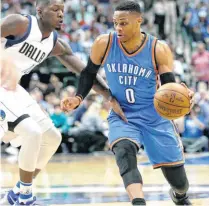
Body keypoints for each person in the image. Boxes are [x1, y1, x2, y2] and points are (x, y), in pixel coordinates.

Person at [61, 1, 195, 205]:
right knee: (124, 151)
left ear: (138, 21)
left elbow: (169, 87)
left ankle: (179, 195)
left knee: (179, 182)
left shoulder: (158, 49)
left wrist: (183, 97)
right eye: (115, 23)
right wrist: (78, 97)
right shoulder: (103, 43)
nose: (118, 28)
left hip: (155, 118)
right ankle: (138, 202)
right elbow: (88, 73)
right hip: (123, 115)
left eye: (123, 23)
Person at [0, 0, 125, 205]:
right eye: (55, 9)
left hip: (13, 89)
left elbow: (86, 73)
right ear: (40, 11)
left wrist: (110, 97)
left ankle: (16, 194)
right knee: (32, 132)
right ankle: (25, 197)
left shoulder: (54, 44)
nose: (60, 14)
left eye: (62, 11)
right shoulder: (20, 23)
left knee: (52, 137)